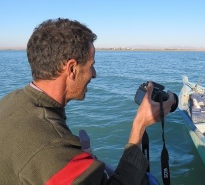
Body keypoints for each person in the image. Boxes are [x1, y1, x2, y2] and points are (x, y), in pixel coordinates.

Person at [0, 18, 175, 184]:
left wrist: (79, 158)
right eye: (91, 65)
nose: (94, 74)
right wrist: (140, 125)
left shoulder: (12, 100)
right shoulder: (53, 145)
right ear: (71, 69)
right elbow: (47, 151)